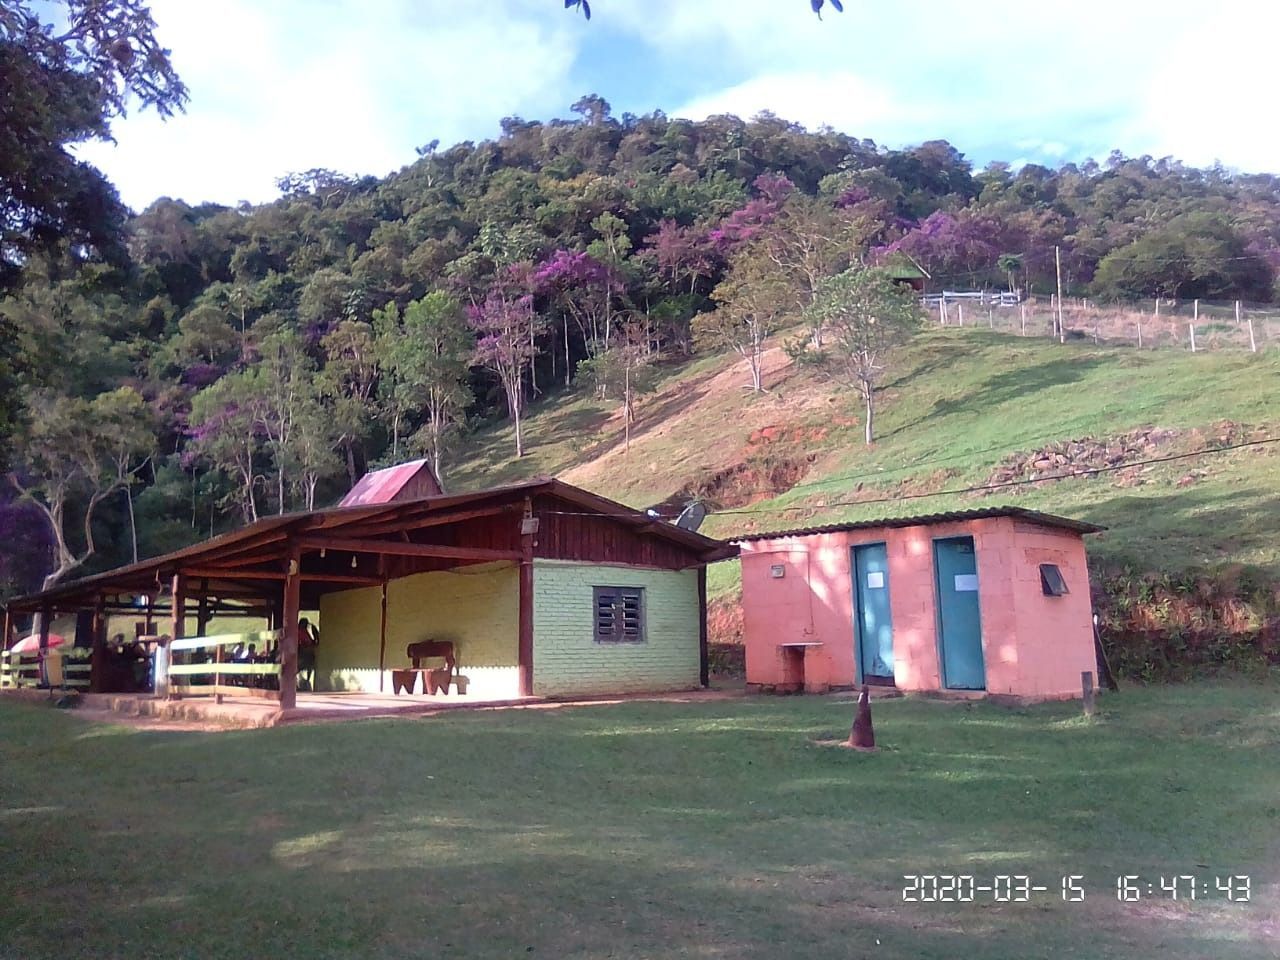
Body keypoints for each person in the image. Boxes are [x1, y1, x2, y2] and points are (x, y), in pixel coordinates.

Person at [297, 617, 320, 692]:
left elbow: (309, 642)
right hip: (303, 652)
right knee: (310, 660)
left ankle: (307, 679)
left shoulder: (304, 631)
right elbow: (306, 642)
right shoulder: (300, 632)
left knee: (311, 660)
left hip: (305, 652)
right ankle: (307, 680)